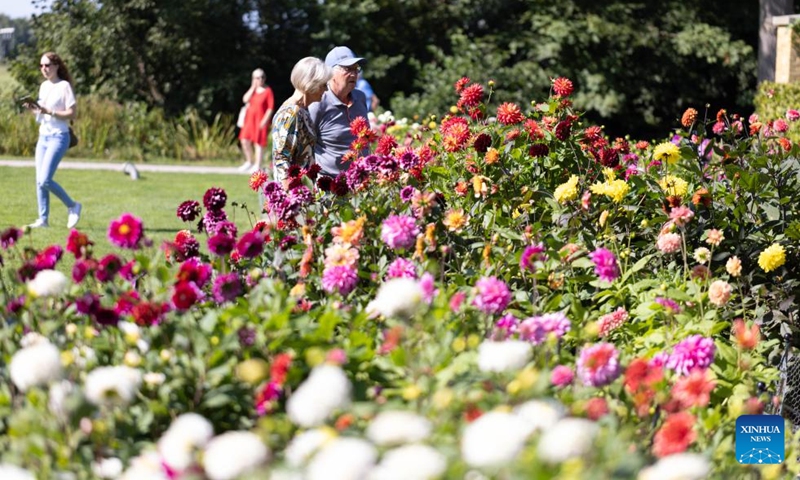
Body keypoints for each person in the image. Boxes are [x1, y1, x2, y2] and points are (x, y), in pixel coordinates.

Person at [22, 52, 81, 229]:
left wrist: (51, 112)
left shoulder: (64, 87)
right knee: (39, 180)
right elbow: (42, 112)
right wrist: (33, 109)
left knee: (45, 180)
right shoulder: (43, 87)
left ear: (56, 66)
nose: (44, 69)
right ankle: (43, 219)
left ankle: (73, 206)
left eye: (47, 65)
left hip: (59, 137)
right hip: (44, 136)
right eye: (41, 66)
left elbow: (73, 113)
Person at [308, 46, 370, 178]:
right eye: (348, 69)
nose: (354, 74)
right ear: (330, 73)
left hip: (363, 181)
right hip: (331, 185)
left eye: (356, 69)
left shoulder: (360, 98)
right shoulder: (318, 102)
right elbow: (305, 145)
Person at [271, 57, 332, 185]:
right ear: (310, 84)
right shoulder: (290, 113)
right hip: (293, 196)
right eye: (323, 85)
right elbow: (281, 158)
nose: (326, 90)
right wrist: (291, 198)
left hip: (302, 190)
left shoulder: (302, 110)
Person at [237, 68, 275, 174]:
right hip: (249, 119)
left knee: (258, 142)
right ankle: (249, 161)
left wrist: (265, 120)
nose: (261, 79)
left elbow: (270, 108)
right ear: (253, 79)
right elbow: (244, 99)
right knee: (244, 140)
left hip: (260, 119)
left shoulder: (268, 91)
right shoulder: (252, 91)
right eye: (258, 77)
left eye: (262, 77)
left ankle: (257, 165)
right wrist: (253, 87)